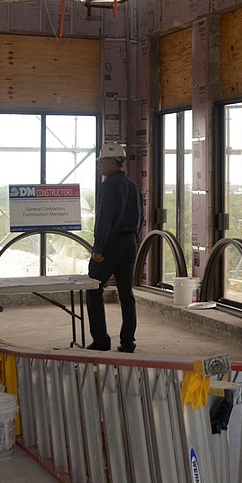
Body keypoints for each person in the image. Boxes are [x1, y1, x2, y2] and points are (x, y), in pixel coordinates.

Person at [85, 141, 143, 353]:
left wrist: (98, 248)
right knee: (126, 294)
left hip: (111, 243)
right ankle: (128, 342)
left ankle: (101, 340)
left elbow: (104, 219)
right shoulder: (133, 186)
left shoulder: (108, 185)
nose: (100, 166)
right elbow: (141, 217)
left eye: (102, 162)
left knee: (93, 289)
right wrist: (133, 239)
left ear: (111, 162)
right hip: (129, 243)